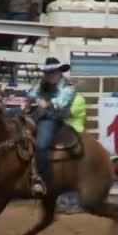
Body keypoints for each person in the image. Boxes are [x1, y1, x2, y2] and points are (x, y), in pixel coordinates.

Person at [27, 57, 76, 196]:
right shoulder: (42, 83)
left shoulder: (68, 86)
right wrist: (35, 98)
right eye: (47, 72)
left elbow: (61, 103)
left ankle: (40, 179)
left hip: (53, 118)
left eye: (53, 72)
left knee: (41, 145)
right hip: (39, 114)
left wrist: (46, 103)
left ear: (60, 72)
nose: (49, 75)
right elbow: (31, 93)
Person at [57, 93, 86, 213]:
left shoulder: (78, 99)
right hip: (65, 136)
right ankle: (65, 202)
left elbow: (66, 113)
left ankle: (73, 202)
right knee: (63, 171)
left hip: (75, 136)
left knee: (73, 171)